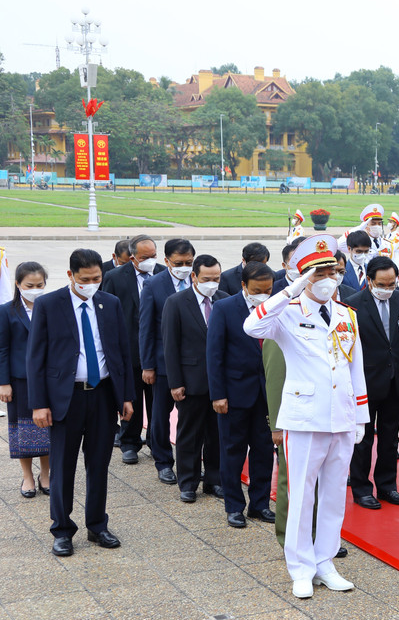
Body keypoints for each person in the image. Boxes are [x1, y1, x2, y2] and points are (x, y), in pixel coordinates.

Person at [244, 234, 367, 599]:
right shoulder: (287, 313)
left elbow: (354, 365)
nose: (330, 278)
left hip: (341, 416)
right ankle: (299, 567)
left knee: (332, 496)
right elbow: (252, 327)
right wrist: (290, 291)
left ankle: (325, 561)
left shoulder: (347, 314)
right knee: (301, 497)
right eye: (320, 273)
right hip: (304, 417)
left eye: (333, 271)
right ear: (303, 277)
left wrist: (360, 415)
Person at [27, 249, 135, 557]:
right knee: (63, 466)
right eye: (85, 279)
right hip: (66, 398)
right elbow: (35, 357)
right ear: (70, 275)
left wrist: (126, 396)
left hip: (102, 394)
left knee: (99, 464)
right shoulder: (49, 305)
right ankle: (62, 529)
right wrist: (39, 404)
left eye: (96, 278)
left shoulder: (109, 303)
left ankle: (97, 524)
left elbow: (122, 354)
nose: (91, 284)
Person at [206, 261, 276, 528]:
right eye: (258, 290)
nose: (264, 295)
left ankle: (259, 504)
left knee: (263, 451)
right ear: (244, 286)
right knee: (233, 451)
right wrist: (218, 394)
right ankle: (234, 506)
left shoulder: (276, 307)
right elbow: (214, 355)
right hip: (234, 393)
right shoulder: (225, 308)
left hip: (266, 394)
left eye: (268, 290)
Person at [344, 257, 399, 509]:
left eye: (392, 283)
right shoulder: (353, 305)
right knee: (363, 440)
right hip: (366, 382)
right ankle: (361, 488)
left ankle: (387, 486)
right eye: (382, 284)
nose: (387, 288)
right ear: (369, 281)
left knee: (390, 437)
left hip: (395, 381)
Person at [162, 254, 227, 503]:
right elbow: (171, 346)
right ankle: (187, 482)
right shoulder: (177, 302)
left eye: (217, 278)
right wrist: (175, 383)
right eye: (206, 279)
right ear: (194, 277)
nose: (212, 283)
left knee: (216, 435)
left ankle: (214, 480)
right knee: (189, 434)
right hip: (190, 381)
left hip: (219, 383)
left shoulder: (223, 300)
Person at [103, 234, 165, 464]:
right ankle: (129, 441)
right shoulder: (115, 277)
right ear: (132, 258)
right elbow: (107, 313)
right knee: (132, 399)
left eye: (154, 256)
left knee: (158, 403)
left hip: (158, 350)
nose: (150, 261)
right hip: (128, 350)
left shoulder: (162, 273)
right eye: (144, 257)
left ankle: (156, 441)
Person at [139, 238, 196, 486]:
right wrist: (148, 365)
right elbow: (146, 328)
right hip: (162, 364)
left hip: (192, 364)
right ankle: (163, 462)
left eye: (189, 262)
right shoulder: (154, 285)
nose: (185, 267)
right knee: (160, 415)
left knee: (191, 417)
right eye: (179, 263)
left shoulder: (199, 280)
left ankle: (190, 463)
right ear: (166, 261)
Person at [1, 262, 50, 498]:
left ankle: (46, 473)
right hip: (19, 380)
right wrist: (3, 382)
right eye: (29, 285)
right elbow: (2, 349)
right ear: (18, 284)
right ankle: (28, 476)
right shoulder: (6, 311)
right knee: (21, 429)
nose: (35, 289)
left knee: (48, 426)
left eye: (39, 285)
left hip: (48, 379)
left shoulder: (51, 307)